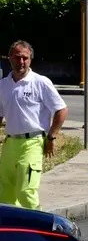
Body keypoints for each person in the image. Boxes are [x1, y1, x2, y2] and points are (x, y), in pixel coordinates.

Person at [0, 40, 68, 210]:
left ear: (30, 59)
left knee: (26, 191)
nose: (21, 62)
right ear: (10, 58)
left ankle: (38, 228)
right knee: (5, 193)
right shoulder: (3, 85)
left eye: (25, 58)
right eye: (17, 57)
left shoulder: (40, 82)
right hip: (10, 143)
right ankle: (12, 231)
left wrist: (51, 137)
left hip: (33, 142)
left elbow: (61, 110)